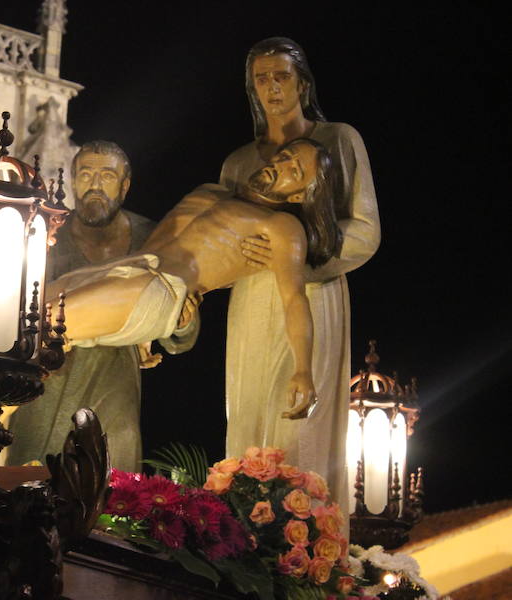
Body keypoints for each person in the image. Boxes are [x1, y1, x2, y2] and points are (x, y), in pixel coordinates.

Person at [56, 137, 339, 427]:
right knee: (33, 308)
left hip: (161, 288)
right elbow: (156, 245)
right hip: (129, 271)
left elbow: (294, 298)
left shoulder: (281, 227)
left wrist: (303, 369)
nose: (282, 166)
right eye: (286, 156)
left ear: (298, 196)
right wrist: (144, 337)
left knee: (45, 321)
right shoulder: (211, 191)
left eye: (296, 171)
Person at [220, 38, 380, 516]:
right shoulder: (238, 164)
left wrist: (299, 254)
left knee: (300, 426)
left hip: (315, 291)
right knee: (247, 414)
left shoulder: (338, 140)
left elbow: (365, 230)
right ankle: (240, 539)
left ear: (302, 83)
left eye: (281, 76)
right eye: (261, 79)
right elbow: (219, 242)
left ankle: (307, 547)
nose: (272, 87)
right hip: (250, 300)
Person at [7, 141, 199, 471]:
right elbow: (15, 308)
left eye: (107, 175)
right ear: (73, 180)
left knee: (112, 489)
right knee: (30, 486)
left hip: (116, 386)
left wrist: (181, 322)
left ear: (125, 186)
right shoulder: (43, 234)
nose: (95, 185)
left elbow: (180, 332)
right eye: (86, 174)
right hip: (47, 386)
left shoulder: (153, 239)